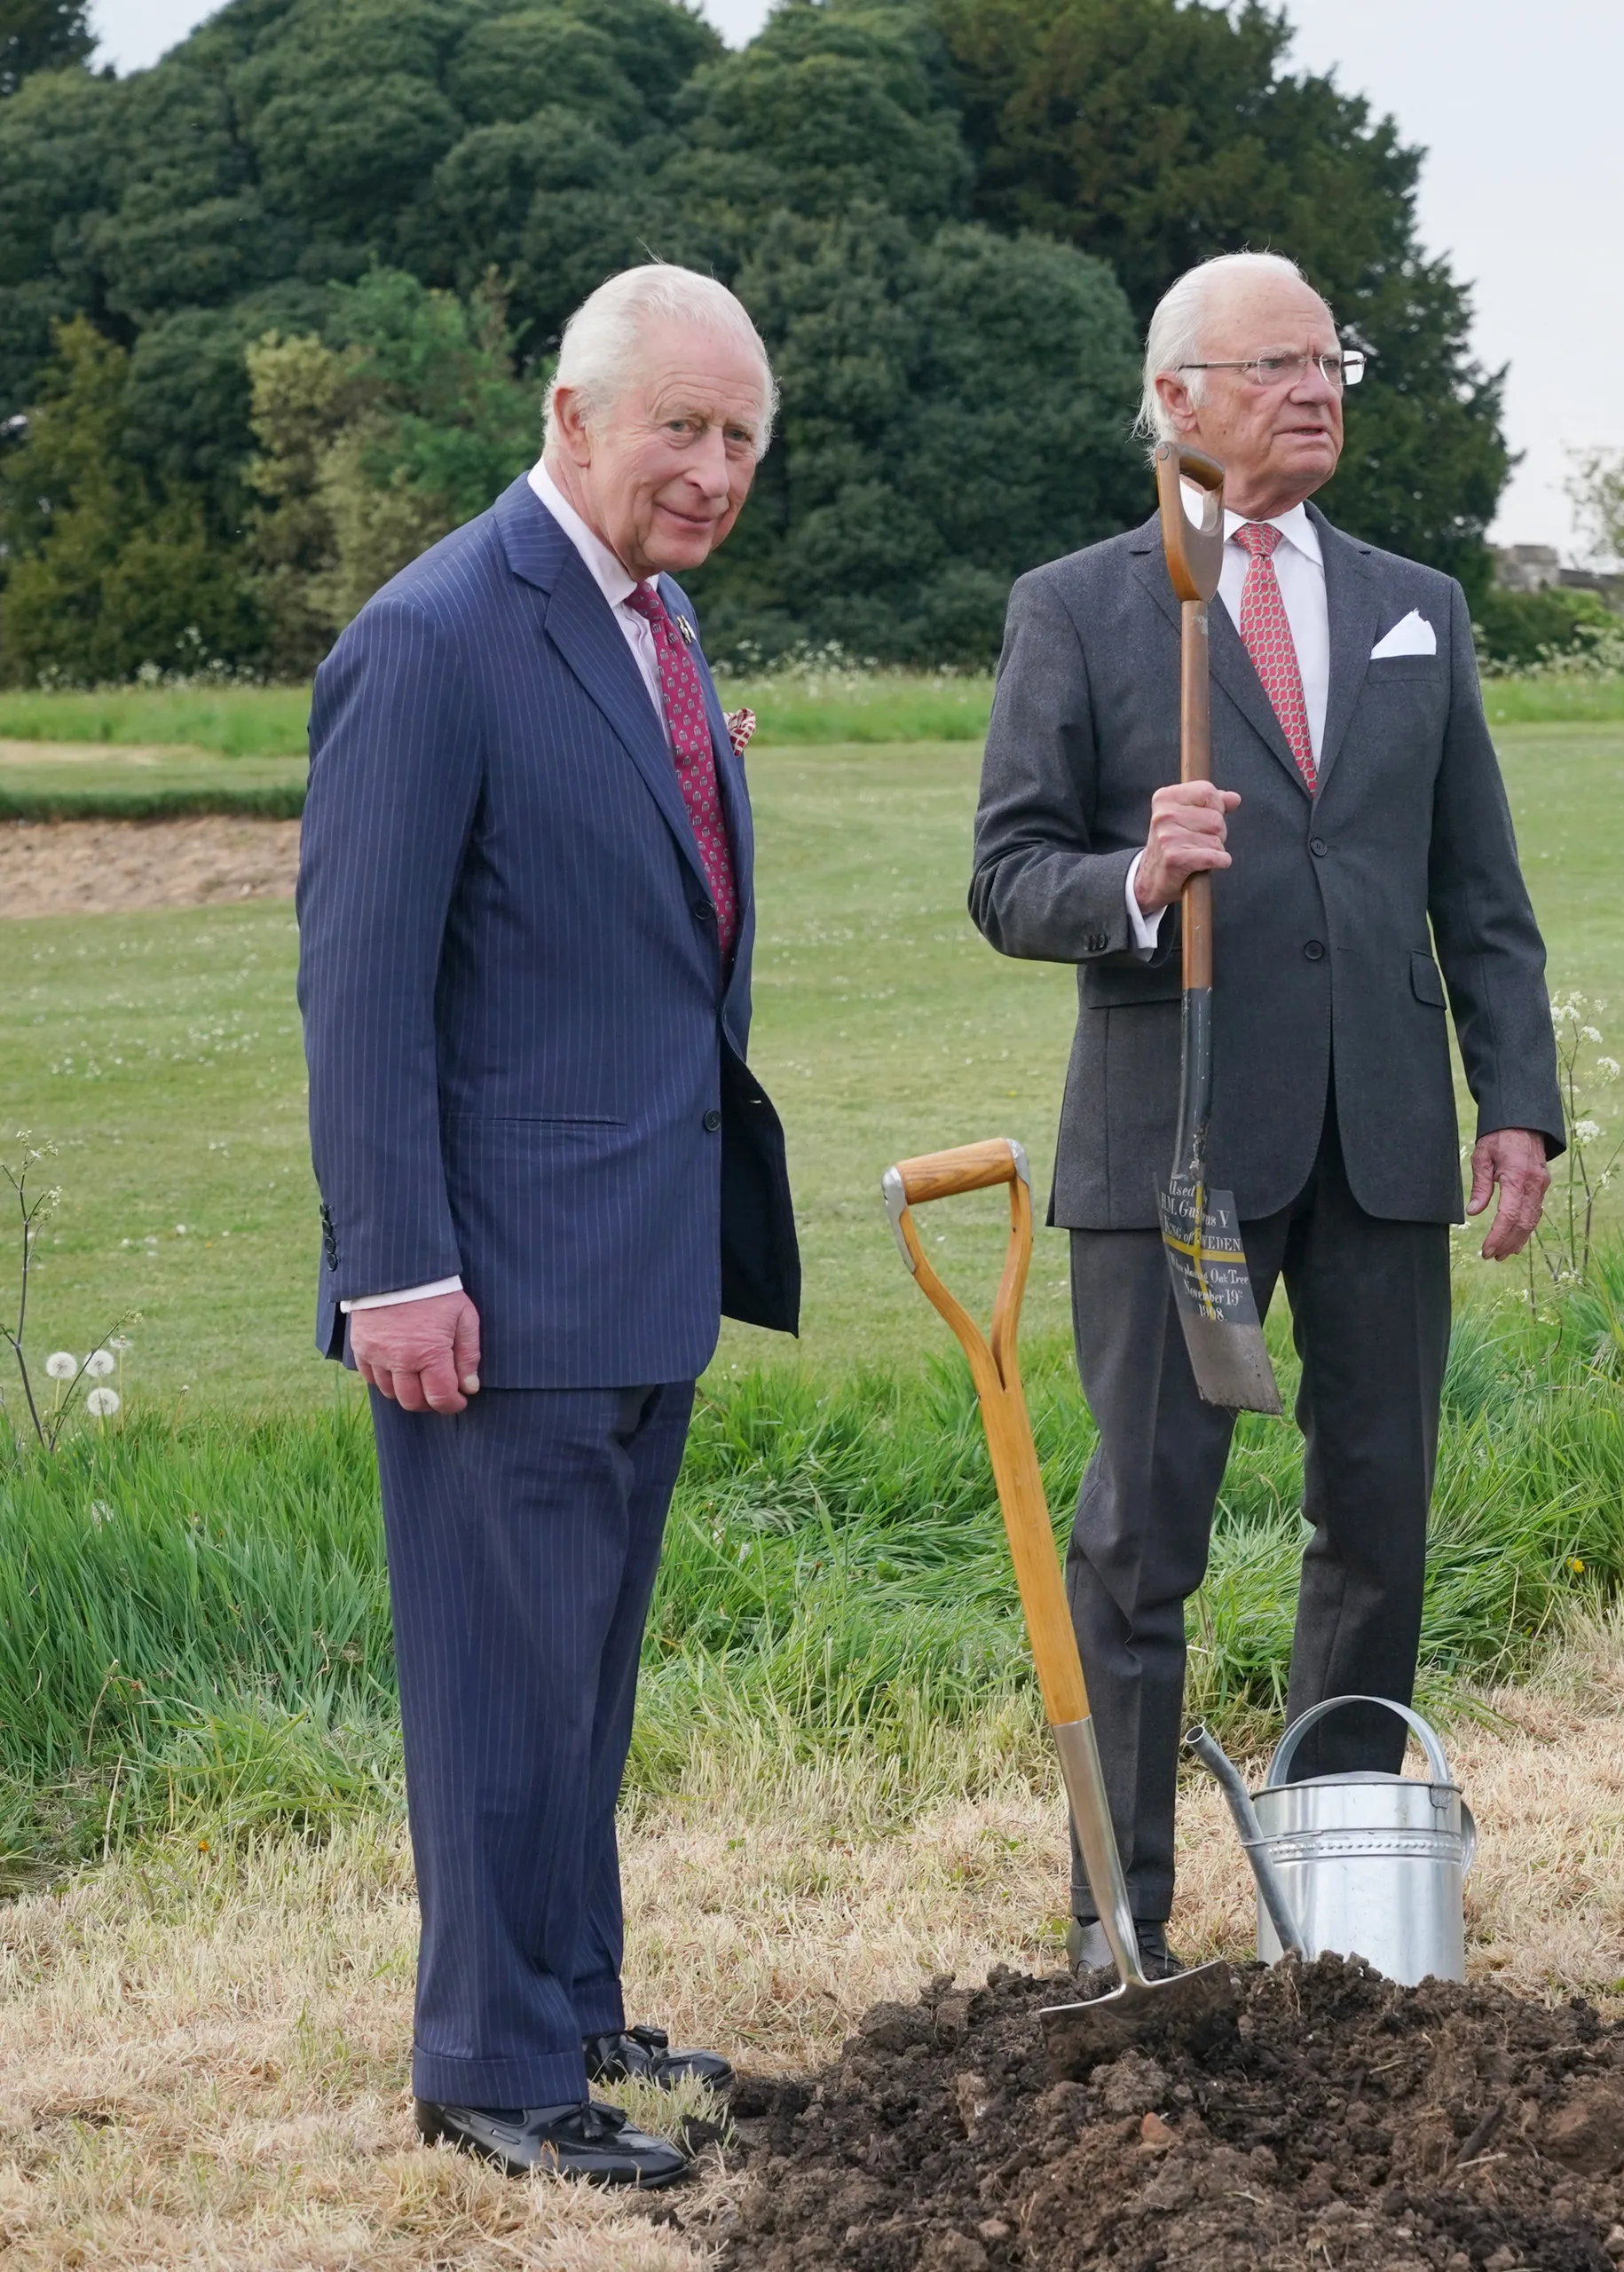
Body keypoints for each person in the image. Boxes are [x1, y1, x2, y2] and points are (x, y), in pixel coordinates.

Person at [970, 250, 1565, 1982]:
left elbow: (1482, 885)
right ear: (1177, 402)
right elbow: (1008, 875)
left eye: (1330, 359)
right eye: (1275, 365)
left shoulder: (1417, 602)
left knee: (1375, 1524)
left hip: (1383, 1140)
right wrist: (1136, 876)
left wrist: (1513, 1097)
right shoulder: (1085, 609)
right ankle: (1121, 1924)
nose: (1317, 389)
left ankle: (1346, 1917)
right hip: (1176, 1149)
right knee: (1141, 1537)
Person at [299, 264, 800, 2186]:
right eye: (680, 423)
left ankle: (577, 2007)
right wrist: (395, 1266)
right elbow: (363, 985)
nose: (713, 467)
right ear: (572, 415)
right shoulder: (438, 634)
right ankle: (491, 2066)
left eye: (741, 435)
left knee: (581, 1672)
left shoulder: (654, 625)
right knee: (500, 1678)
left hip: (641, 1258)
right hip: (490, 1283)